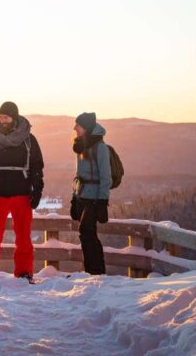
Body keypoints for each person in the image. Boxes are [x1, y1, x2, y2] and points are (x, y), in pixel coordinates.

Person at [0, 102, 44, 283]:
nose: (3, 120)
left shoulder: (29, 140)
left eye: (6, 117)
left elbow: (36, 166)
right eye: (1, 117)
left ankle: (24, 272)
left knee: (23, 236)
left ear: (14, 117)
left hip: (21, 194)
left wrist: (38, 189)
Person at [70, 112, 111, 275]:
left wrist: (102, 201)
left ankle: (97, 271)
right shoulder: (82, 145)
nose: (75, 128)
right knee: (86, 233)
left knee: (87, 232)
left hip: (94, 198)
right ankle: (91, 271)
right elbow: (79, 175)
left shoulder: (100, 148)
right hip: (82, 195)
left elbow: (105, 176)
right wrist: (74, 197)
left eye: (78, 125)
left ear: (86, 128)